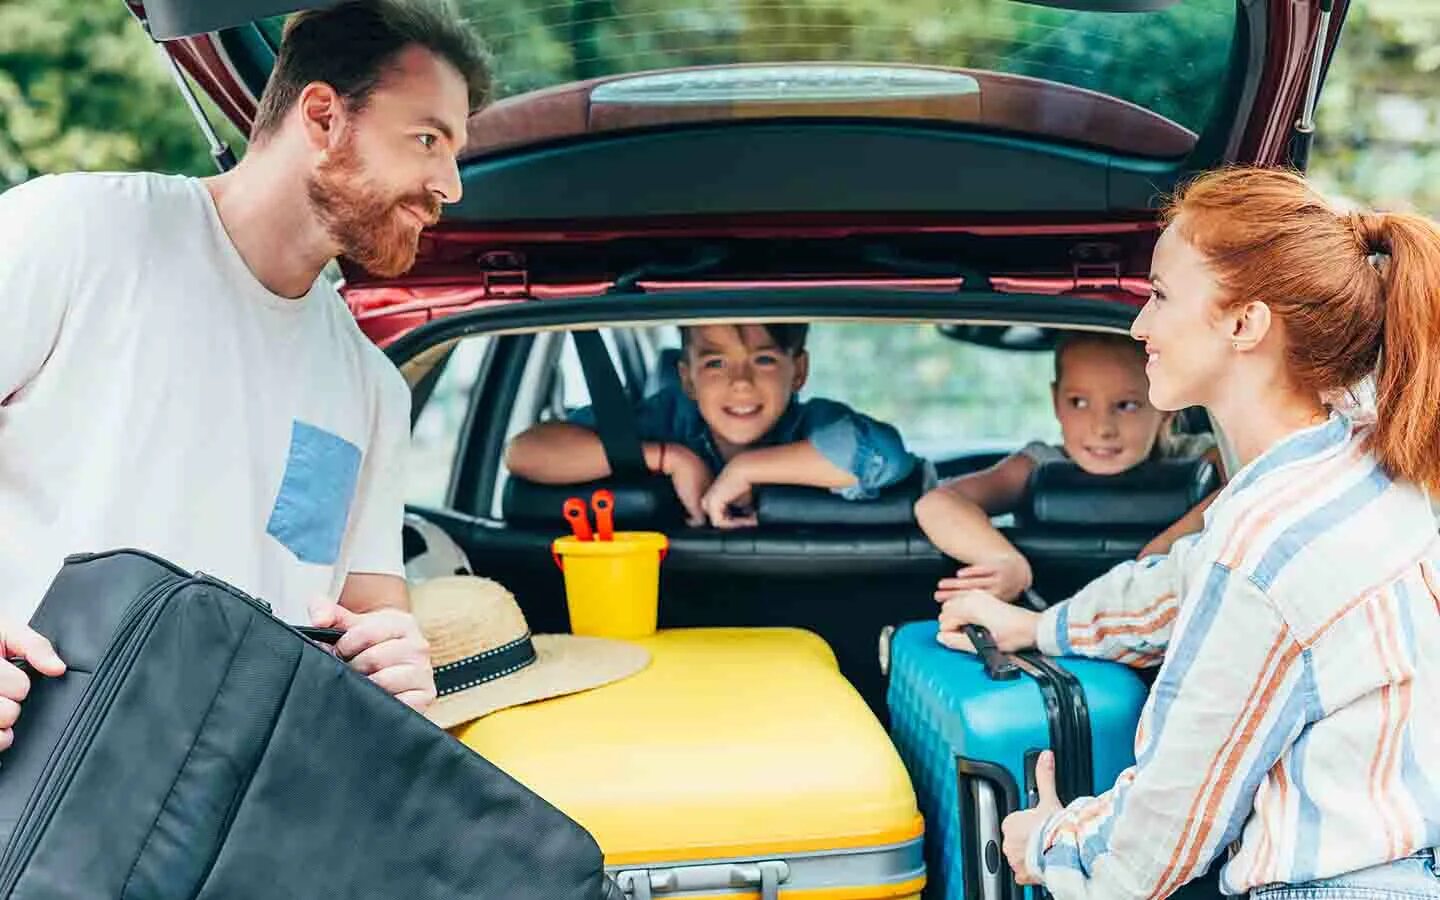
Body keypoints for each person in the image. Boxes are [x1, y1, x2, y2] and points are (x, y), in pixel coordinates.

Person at [939, 167, 1440, 900]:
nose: (1140, 325)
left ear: (1245, 324)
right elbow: (1185, 582)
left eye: (1162, 296)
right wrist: (1039, 627)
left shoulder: (1268, 544)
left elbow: (1148, 855)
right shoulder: (1365, 465)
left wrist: (1039, 839)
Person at [0, 0, 491, 745]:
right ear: (323, 117)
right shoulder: (75, 233)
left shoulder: (370, 387)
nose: (450, 185)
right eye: (428, 139)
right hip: (29, 777)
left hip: (230, 806)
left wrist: (393, 662)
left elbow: (371, 615)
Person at [506, 323, 918, 528]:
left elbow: (884, 453)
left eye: (764, 359)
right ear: (687, 378)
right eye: (715, 363)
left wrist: (746, 470)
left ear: (799, 372)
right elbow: (525, 451)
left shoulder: (814, 424)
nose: (741, 382)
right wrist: (670, 457)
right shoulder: (659, 422)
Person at [916, 331, 1222, 603]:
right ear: (1055, 402)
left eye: (1127, 405)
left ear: (1167, 407)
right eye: (1078, 402)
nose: (1102, 428)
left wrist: (1161, 551)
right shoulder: (1040, 462)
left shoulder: (1202, 457)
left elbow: (1251, 485)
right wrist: (1001, 559)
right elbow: (937, 503)